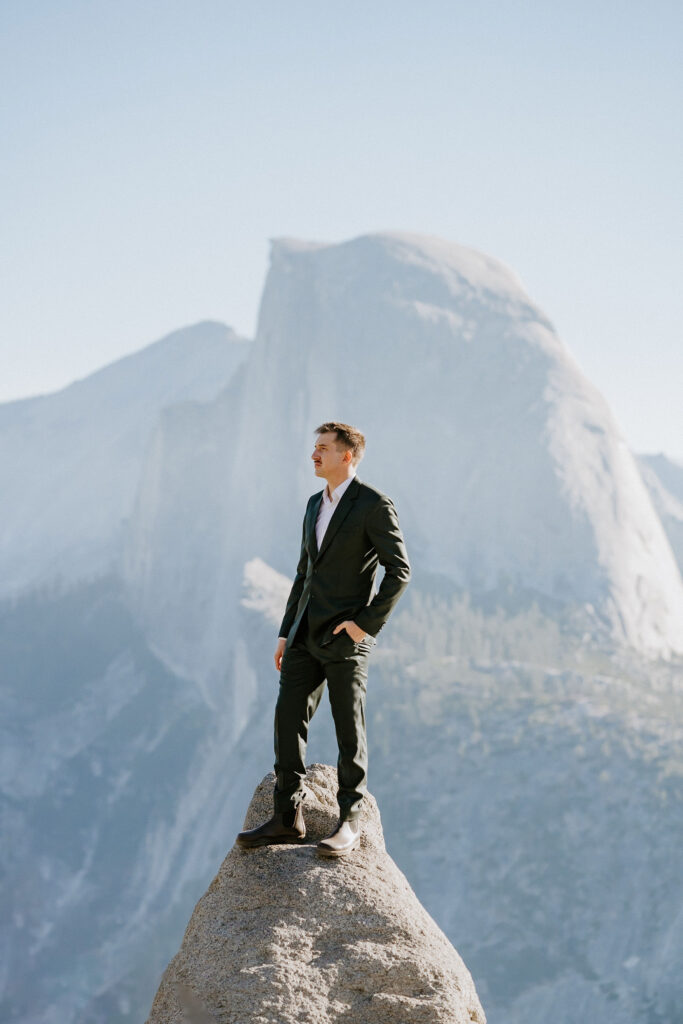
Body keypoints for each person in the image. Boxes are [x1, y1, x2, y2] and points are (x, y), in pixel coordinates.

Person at [236, 421, 411, 857]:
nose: (314, 455)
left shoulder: (373, 504)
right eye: (315, 448)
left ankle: (349, 821)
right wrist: (284, 631)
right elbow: (304, 573)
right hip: (302, 637)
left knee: (349, 728)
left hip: (345, 639)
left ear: (347, 455)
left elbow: (400, 570)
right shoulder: (315, 503)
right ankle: (286, 816)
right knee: (287, 719)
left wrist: (364, 625)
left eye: (324, 449)